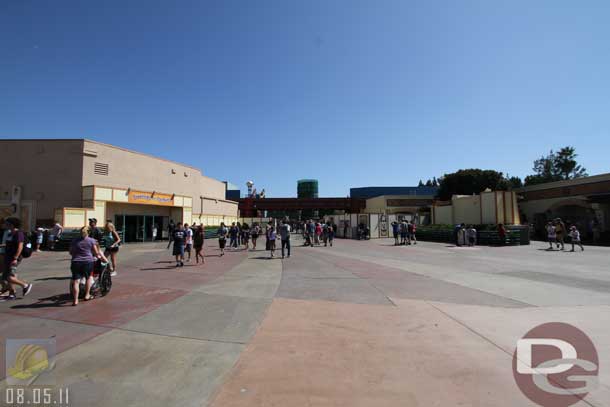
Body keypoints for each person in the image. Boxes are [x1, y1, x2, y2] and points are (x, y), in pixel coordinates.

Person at [70, 226, 107, 306]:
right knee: (88, 277)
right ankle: (87, 295)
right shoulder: (92, 241)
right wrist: (99, 257)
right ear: (89, 232)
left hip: (76, 262)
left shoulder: (75, 241)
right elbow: (96, 252)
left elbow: (71, 252)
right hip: (87, 262)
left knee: (76, 281)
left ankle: (75, 300)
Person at [1, 218, 33, 300]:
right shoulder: (10, 233)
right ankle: (11, 293)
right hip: (7, 257)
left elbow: (20, 246)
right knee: (5, 277)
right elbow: (10, 245)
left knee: (10, 277)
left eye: (6, 223)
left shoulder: (19, 234)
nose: (5, 225)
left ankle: (25, 285)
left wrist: (15, 258)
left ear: (11, 224)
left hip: (13, 258)